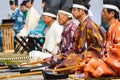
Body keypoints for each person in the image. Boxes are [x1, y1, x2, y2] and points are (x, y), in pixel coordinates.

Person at [84, 0, 120, 78]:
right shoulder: (111, 28)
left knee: (90, 66)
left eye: (104, 11)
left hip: (114, 66)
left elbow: (118, 52)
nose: (101, 14)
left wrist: (103, 59)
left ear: (112, 14)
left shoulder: (118, 28)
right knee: (86, 62)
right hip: (108, 61)